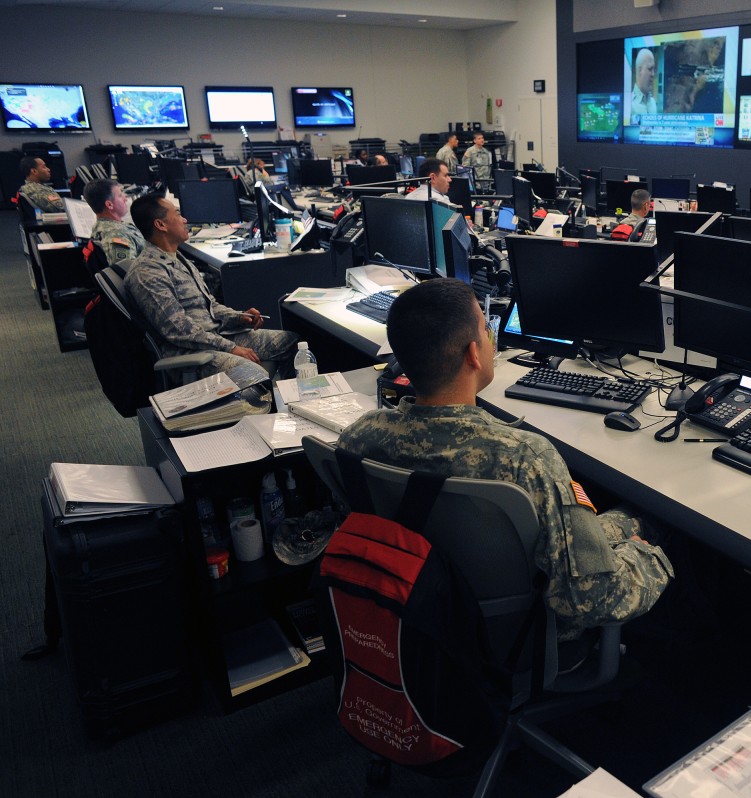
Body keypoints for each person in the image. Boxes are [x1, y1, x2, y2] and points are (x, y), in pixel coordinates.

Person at [338, 279, 673, 641]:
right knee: (649, 522)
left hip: (416, 615)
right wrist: (649, 556)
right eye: (485, 328)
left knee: (622, 519)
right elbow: (595, 598)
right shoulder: (525, 458)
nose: (489, 337)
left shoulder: (359, 437)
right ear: (473, 353)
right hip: (512, 642)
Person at [124, 194, 298, 377]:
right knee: (251, 373)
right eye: (177, 214)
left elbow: (208, 306)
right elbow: (178, 331)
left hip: (215, 337)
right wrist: (230, 348)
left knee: (292, 342)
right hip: (189, 352)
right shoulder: (147, 273)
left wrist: (238, 317)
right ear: (161, 225)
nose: (184, 219)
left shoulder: (177, 258)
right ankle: (262, 404)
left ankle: (292, 400)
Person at [83, 178, 145, 268]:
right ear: (109, 205)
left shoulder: (101, 226)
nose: (125, 199)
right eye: (120, 196)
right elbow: (129, 273)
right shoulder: (117, 234)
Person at [630, 48, 658, 116]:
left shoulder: (653, 103)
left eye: (654, 70)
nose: (653, 74)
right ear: (640, 70)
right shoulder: (629, 105)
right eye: (650, 69)